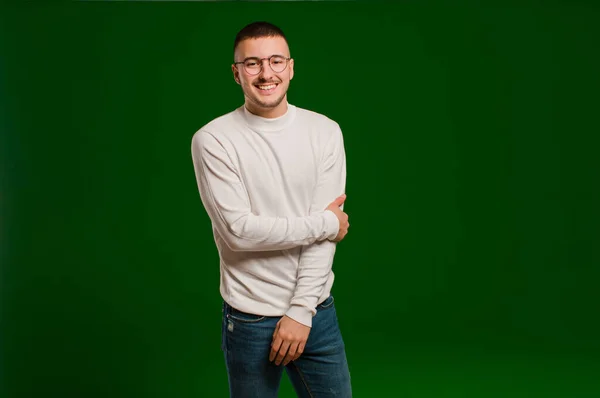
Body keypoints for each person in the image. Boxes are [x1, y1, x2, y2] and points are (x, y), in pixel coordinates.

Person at [191, 21, 352, 397]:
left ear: (291, 68)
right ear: (236, 73)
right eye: (252, 64)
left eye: (276, 61)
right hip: (250, 318)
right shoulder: (213, 139)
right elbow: (240, 232)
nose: (266, 73)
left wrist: (300, 311)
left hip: (317, 312)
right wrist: (326, 222)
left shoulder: (325, 131)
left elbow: (321, 239)